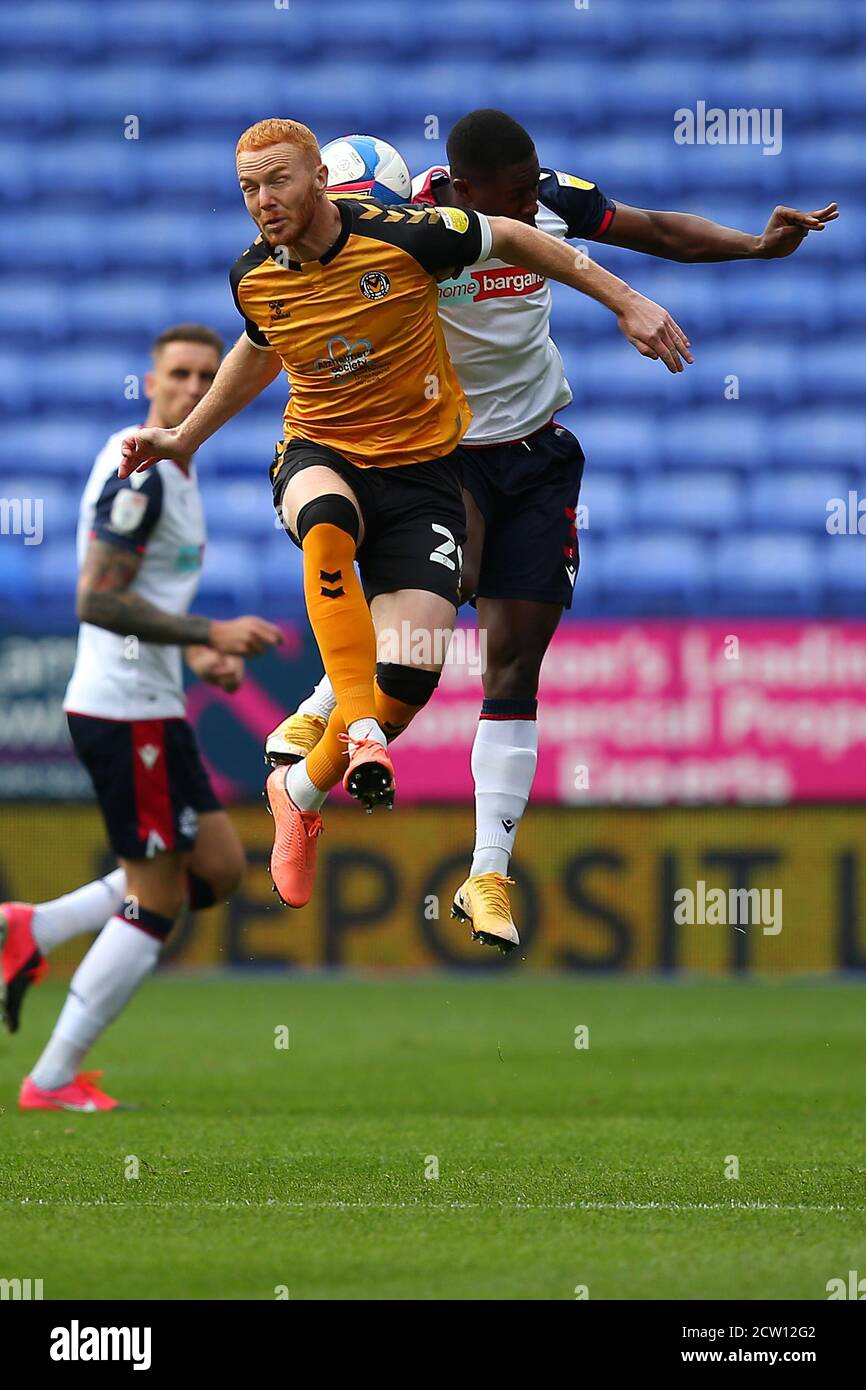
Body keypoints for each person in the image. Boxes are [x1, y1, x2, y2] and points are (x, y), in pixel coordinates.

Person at [266, 108, 837, 952]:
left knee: (514, 660)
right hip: (443, 455)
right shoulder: (415, 223)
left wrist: (756, 245)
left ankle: (487, 875)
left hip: (535, 457)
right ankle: (318, 720)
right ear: (464, 191)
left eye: (536, 184)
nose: (532, 205)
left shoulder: (553, 202)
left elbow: (656, 232)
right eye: (516, 194)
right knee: (418, 646)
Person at [118, 117, 690, 918]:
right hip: (322, 453)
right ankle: (357, 730)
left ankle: (301, 790)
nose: (262, 201)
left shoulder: (411, 236)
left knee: (416, 668)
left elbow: (522, 241)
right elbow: (260, 345)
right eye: (248, 188)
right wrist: (184, 436)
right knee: (324, 521)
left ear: (320, 176)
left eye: (278, 181)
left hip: (422, 474)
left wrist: (627, 303)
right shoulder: (254, 275)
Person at [1, 323, 281, 1111]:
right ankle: (51, 1079)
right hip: (123, 714)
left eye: (206, 375)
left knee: (219, 868)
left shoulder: (175, 469)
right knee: (155, 898)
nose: (194, 389)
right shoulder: (144, 475)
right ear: (150, 382)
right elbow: (96, 599)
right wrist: (210, 633)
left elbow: (143, 600)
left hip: (154, 703)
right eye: (180, 375)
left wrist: (198, 658)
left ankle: (37, 927)